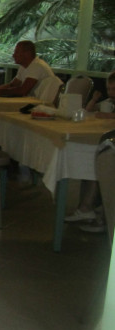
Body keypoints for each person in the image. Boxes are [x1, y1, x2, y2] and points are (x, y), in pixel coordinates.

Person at [65, 71, 115, 233]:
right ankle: (87, 207)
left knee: (100, 164)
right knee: (92, 161)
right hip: (105, 143)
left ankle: (94, 211)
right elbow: (88, 110)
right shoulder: (108, 102)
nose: (111, 92)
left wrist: (108, 116)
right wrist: (94, 100)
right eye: (109, 89)